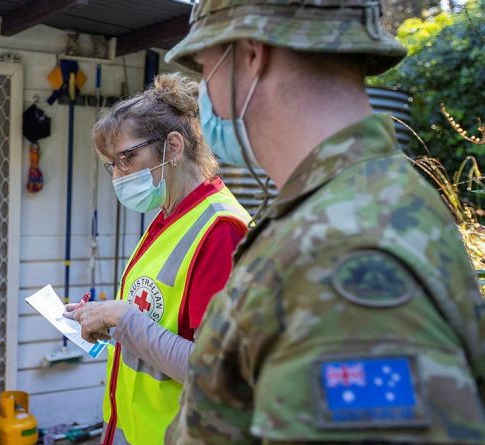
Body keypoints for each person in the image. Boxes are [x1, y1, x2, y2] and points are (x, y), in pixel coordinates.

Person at [163, 0, 485, 443]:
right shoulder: (359, 206)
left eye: (205, 70)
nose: (204, 95)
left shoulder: (341, 250)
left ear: (251, 55)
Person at [64, 73, 251, 445]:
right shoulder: (169, 217)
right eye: (112, 164)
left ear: (174, 147)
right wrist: (107, 319)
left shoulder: (221, 229)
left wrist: (122, 317)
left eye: (127, 158)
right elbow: (156, 324)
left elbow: (218, 373)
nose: (118, 176)